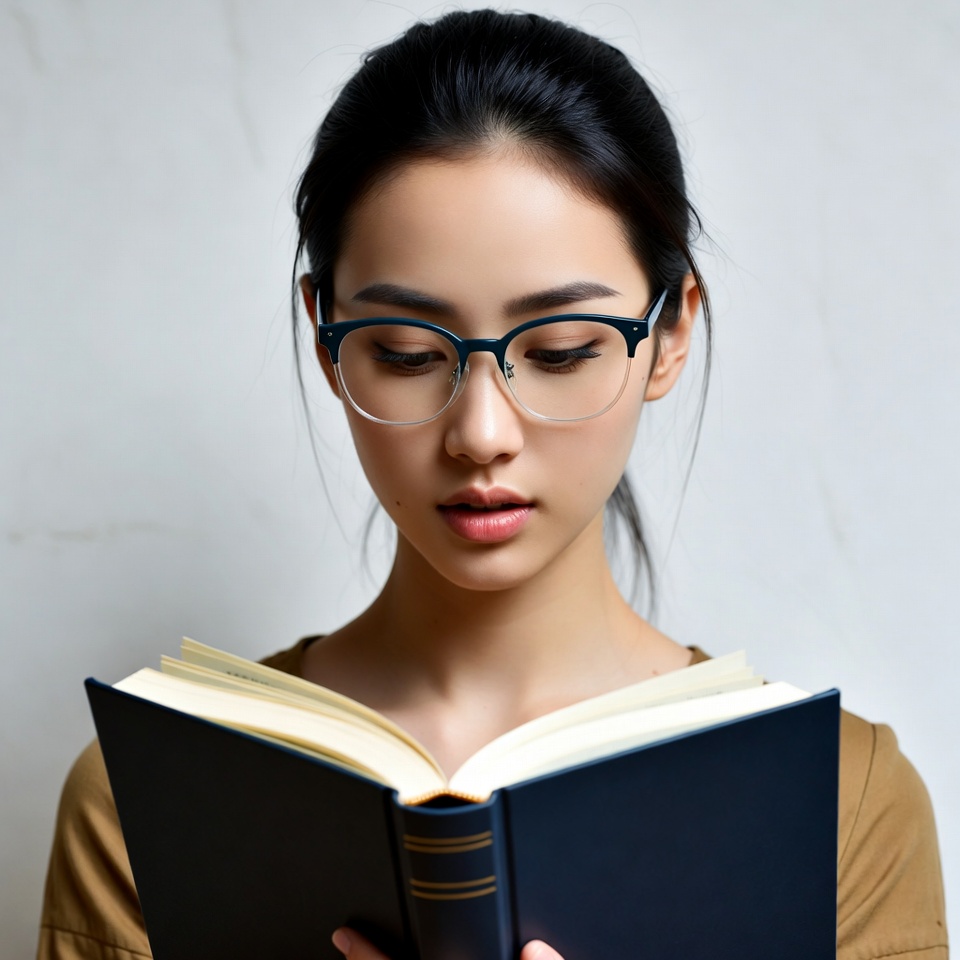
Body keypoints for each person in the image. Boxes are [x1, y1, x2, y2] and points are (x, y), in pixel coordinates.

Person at [37, 9, 948, 960]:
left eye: (558, 352)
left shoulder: (841, 806)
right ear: (324, 337)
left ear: (670, 332)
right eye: (405, 352)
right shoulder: (141, 802)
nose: (480, 434)